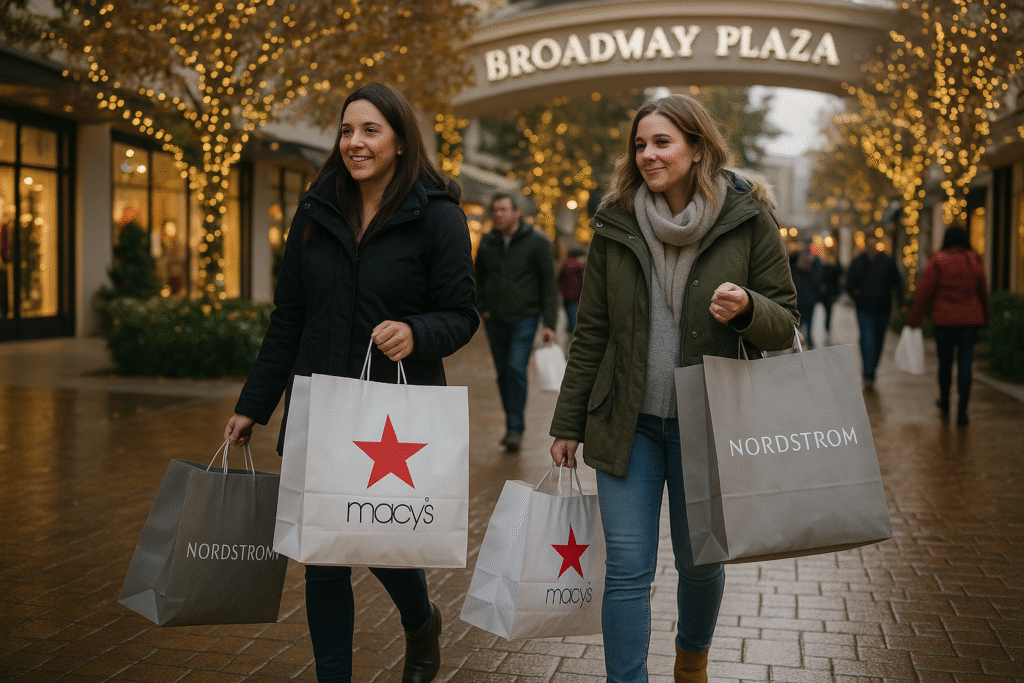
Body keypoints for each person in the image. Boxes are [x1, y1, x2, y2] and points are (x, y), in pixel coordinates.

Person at [222, 83, 478, 683]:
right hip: (320, 404)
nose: (354, 143)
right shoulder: (317, 209)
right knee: (323, 556)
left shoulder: (437, 215)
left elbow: (462, 314)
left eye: (370, 131)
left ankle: (420, 619)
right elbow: (289, 317)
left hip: (396, 413)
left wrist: (417, 333)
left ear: (398, 140)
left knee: (378, 539)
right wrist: (253, 405)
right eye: (346, 131)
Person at [548, 94, 798, 683]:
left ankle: (691, 660)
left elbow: (785, 319)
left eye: (662, 143)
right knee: (629, 566)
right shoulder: (616, 219)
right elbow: (592, 333)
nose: (647, 155)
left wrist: (745, 309)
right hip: (626, 423)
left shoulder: (747, 217)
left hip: (710, 422)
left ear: (697, 149)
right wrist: (566, 422)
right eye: (640, 145)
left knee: (700, 564)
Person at [475, 192, 559, 452]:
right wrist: (483, 307)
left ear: (516, 212)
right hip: (495, 318)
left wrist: (549, 323)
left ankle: (515, 428)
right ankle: (511, 425)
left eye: (503, 210)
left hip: (525, 316)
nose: (498, 214)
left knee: (515, 368)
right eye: (495, 210)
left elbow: (548, 285)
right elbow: (477, 277)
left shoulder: (537, 242)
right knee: (503, 373)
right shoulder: (488, 242)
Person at [906, 226, 989, 426]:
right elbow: (982, 291)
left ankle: (944, 401)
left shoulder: (937, 261)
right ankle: (962, 412)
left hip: (943, 321)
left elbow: (924, 291)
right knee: (965, 365)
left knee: (945, 363)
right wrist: (985, 317)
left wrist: (915, 319)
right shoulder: (973, 260)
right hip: (969, 321)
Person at [845, 232, 903, 390]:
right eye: (868, 244)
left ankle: (872, 371)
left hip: (883, 309)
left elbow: (897, 283)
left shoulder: (887, 262)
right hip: (864, 309)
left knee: (878, 342)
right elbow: (849, 283)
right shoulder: (858, 262)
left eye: (873, 243)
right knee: (867, 340)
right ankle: (868, 373)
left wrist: (900, 305)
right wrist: (857, 294)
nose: (871, 247)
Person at [788, 244, 824, 348]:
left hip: (809, 299)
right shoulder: (795, 268)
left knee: (808, 322)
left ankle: (807, 340)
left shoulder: (815, 265)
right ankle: (798, 342)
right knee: (799, 322)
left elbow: (818, 280)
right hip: (799, 300)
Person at [557, 247, 587, 338]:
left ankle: (570, 339)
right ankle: (571, 340)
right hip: (574, 298)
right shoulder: (577, 265)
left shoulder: (566, 264)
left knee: (572, 321)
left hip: (568, 298)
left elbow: (559, 280)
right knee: (574, 322)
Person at [820, 257, 844, 344]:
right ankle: (827, 330)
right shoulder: (824, 268)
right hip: (826, 295)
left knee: (828, 314)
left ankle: (827, 330)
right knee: (828, 314)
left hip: (830, 295)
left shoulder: (834, 268)